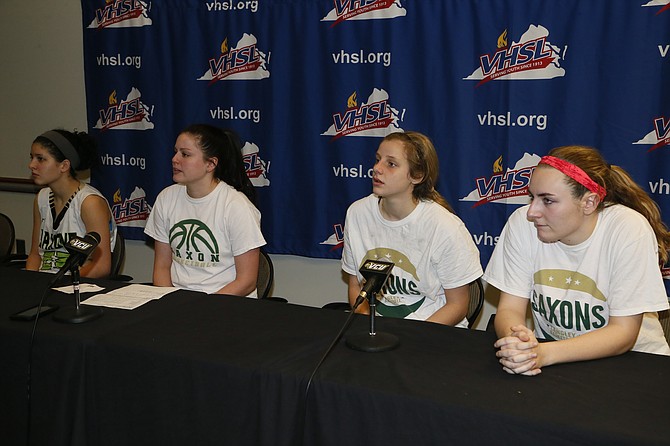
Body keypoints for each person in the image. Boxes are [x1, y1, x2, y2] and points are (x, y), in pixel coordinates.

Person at [485, 145, 670, 376]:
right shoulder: (521, 224)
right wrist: (517, 340)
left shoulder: (628, 228)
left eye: (548, 200)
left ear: (589, 203)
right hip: (556, 361)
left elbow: (623, 333)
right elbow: (509, 308)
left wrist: (541, 354)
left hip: (635, 365)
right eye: (532, 197)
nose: (532, 212)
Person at [341, 131, 483, 326]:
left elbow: (458, 306)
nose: (376, 168)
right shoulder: (357, 213)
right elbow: (356, 285)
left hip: (429, 332)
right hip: (379, 330)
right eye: (377, 159)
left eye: (391, 164)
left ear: (417, 176)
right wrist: (369, 328)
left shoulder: (445, 227)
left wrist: (411, 338)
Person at [144, 124, 265, 297]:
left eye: (185, 154)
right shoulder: (166, 198)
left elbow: (246, 281)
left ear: (211, 164)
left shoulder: (236, 206)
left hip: (225, 306)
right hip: (178, 304)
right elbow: (162, 267)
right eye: (175, 151)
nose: (174, 159)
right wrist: (170, 305)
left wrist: (201, 309)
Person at [26, 129, 117, 278]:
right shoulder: (41, 198)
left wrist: (64, 284)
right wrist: (32, 283)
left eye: (40, 159)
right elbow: (35, 255)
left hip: (77, 286)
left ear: (64, 165)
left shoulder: (90, 202)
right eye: (32, 157)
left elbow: (101, 266)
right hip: (44, 285)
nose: (32, 165)